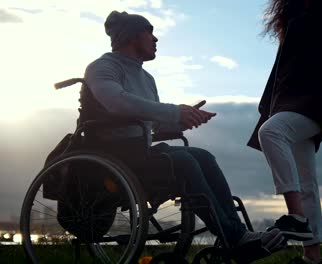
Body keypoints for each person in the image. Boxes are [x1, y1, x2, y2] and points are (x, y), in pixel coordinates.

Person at [81, 10, 284, 252]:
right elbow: (115, 102)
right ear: (132, 36)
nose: (155, 40)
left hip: (138, 153)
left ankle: (238, 233)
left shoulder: (146, 78)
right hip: (112, 156)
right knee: (185, 161)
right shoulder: (102, 67)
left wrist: (183, 120)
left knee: (204, 156)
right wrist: (175, 112)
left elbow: (150, 124)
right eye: (150, 33)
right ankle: (234, 238)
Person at [247, 0, 322, 263]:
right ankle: (313, 257)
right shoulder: (293, 14)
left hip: (317, 100)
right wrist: (268, 107)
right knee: (307, 181)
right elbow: (281, 69)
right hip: (287, 101)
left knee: (272, 132)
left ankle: (296, 218)